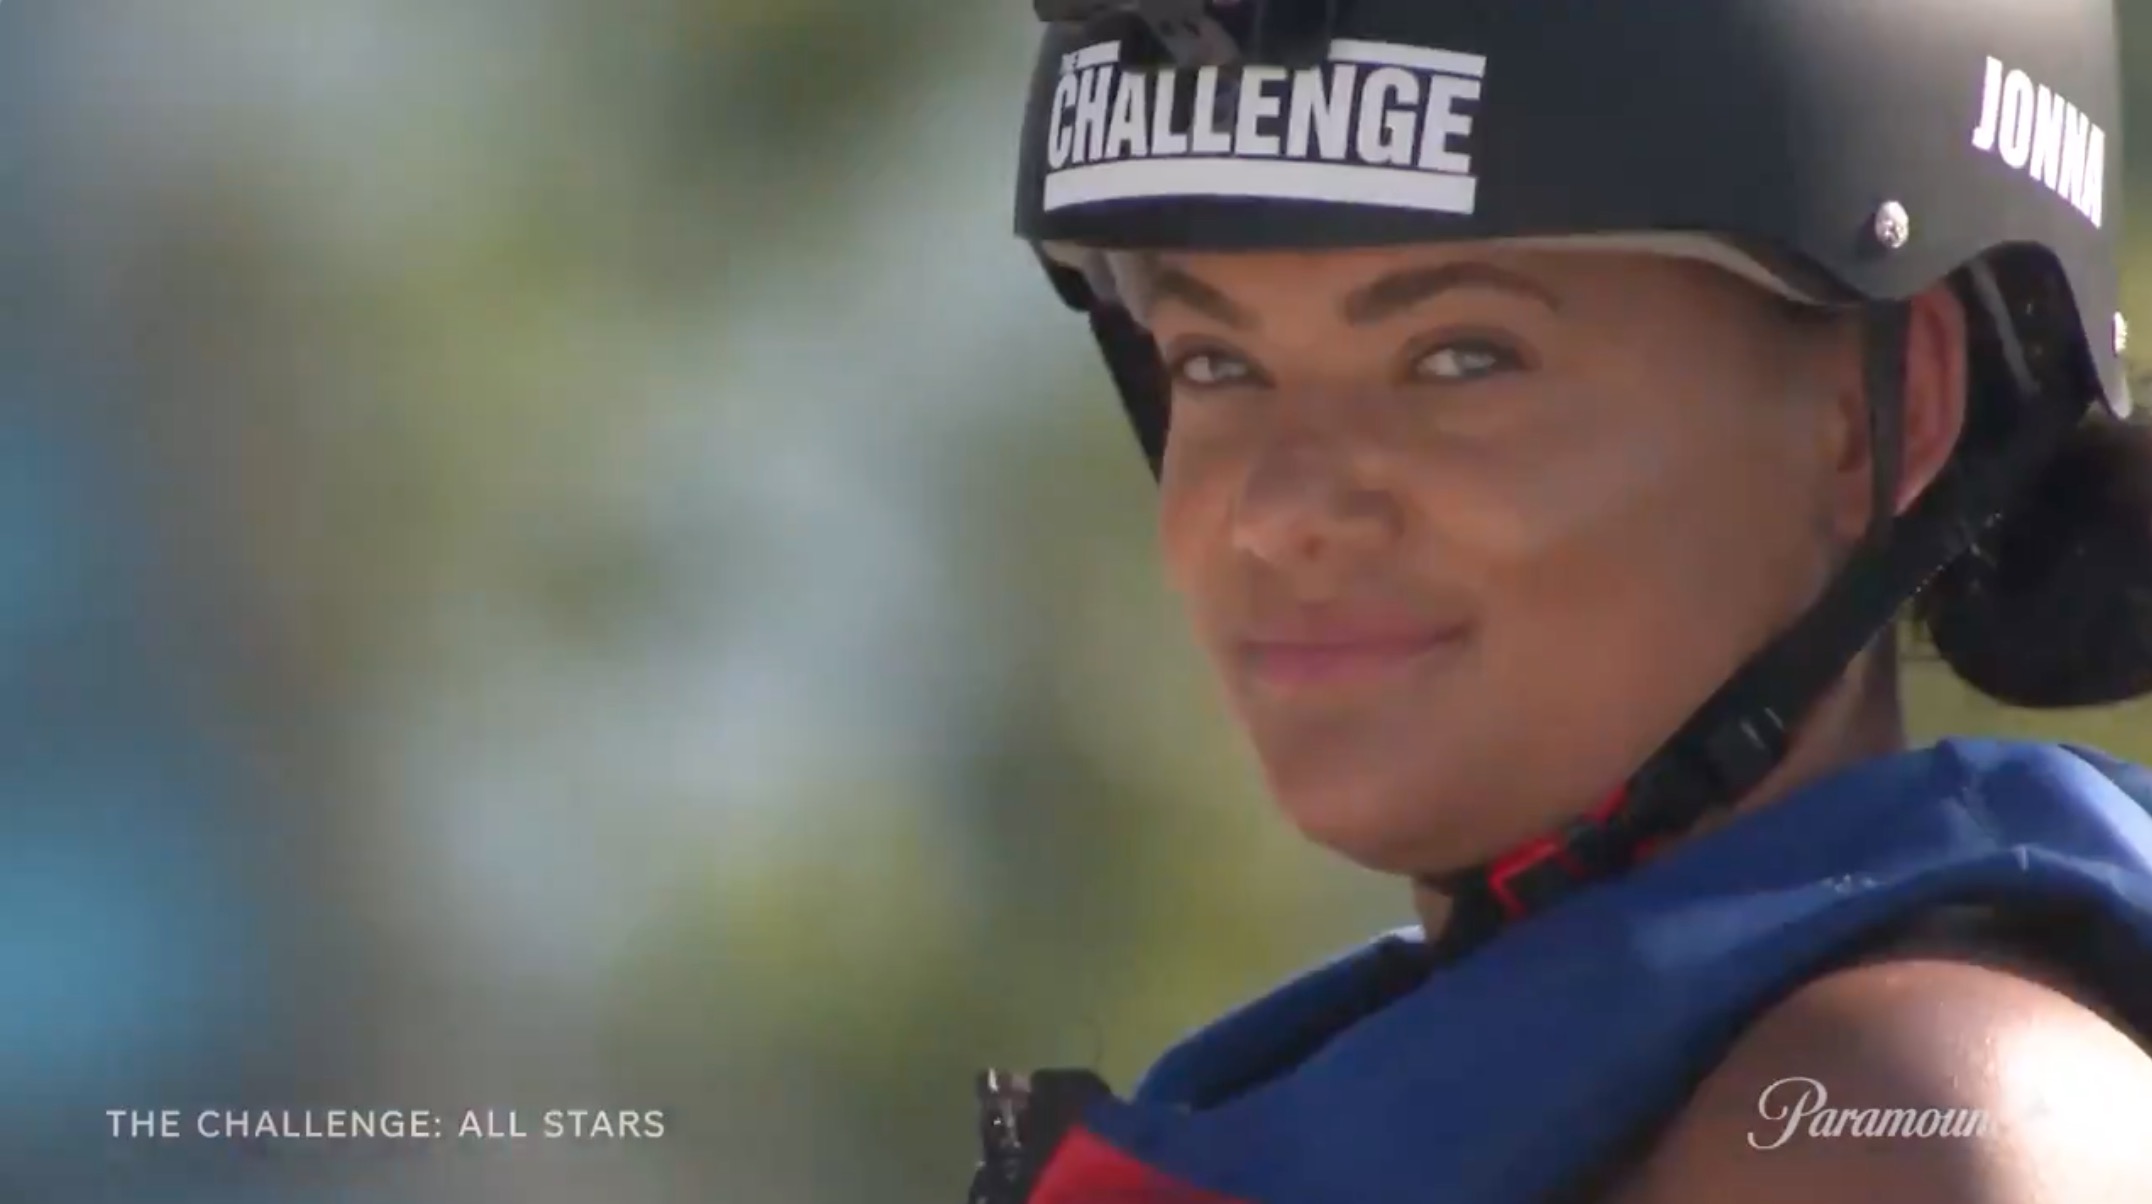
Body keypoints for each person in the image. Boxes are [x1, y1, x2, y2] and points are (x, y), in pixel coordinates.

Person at [968, 1, 2152, 1201]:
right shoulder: (1401, 1090)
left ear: (1876, 415)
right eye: (1215, 363)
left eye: (1460, 356)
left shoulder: (1886, 1126)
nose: (1277, 512)